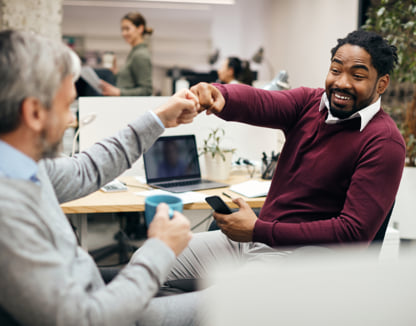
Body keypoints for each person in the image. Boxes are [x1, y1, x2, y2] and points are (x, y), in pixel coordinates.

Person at [164, 30, 406, 284]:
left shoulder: (384, 143)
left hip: (298, 260)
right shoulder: (308, 103)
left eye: (357, 76)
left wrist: (260, 230)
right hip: (254, 242)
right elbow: (262, 102)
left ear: (382, 84)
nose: (342, 83)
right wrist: (218, 94)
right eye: (336, 70)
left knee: (216, 308)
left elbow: (352, 232)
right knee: (152, 260)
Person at [0, 29, 203, 326]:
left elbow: (87, 169)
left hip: (99, 298)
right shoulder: (8, 214)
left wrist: (158, 118)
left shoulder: (25, 166)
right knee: (237, 302)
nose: (72, 119)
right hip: (103, 315)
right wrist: (160, 248)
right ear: (33, 113)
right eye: (67, 105)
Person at [101, 12, 153, 96]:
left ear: (140, 28)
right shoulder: (134, 53)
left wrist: (119, 92)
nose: (123, 33)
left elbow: (146, 90)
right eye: (122, 30)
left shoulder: (140, 55)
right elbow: (129, 84)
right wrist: (115, 72)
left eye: (127, 29)